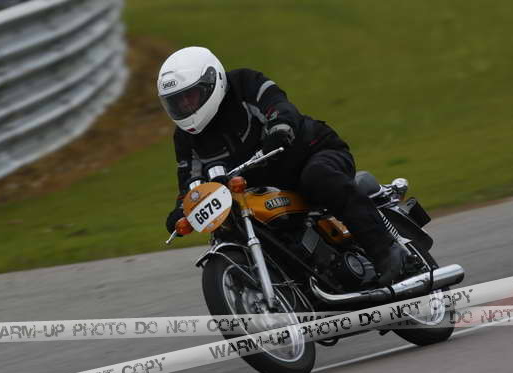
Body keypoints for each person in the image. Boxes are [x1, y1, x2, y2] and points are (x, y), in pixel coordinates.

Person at [158, 46, 409, 286]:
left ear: (212, 82)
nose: (185, 106)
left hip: (310, 153)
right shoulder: (185, 138)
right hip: (260, 188)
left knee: (318, 177)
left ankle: (385, 251)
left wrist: (279, 127)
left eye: (190, 96)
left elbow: (277, 104)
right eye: (177, 102)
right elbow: (190, 181)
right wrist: (183, 208)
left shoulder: (244, 83)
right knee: (231, 224)